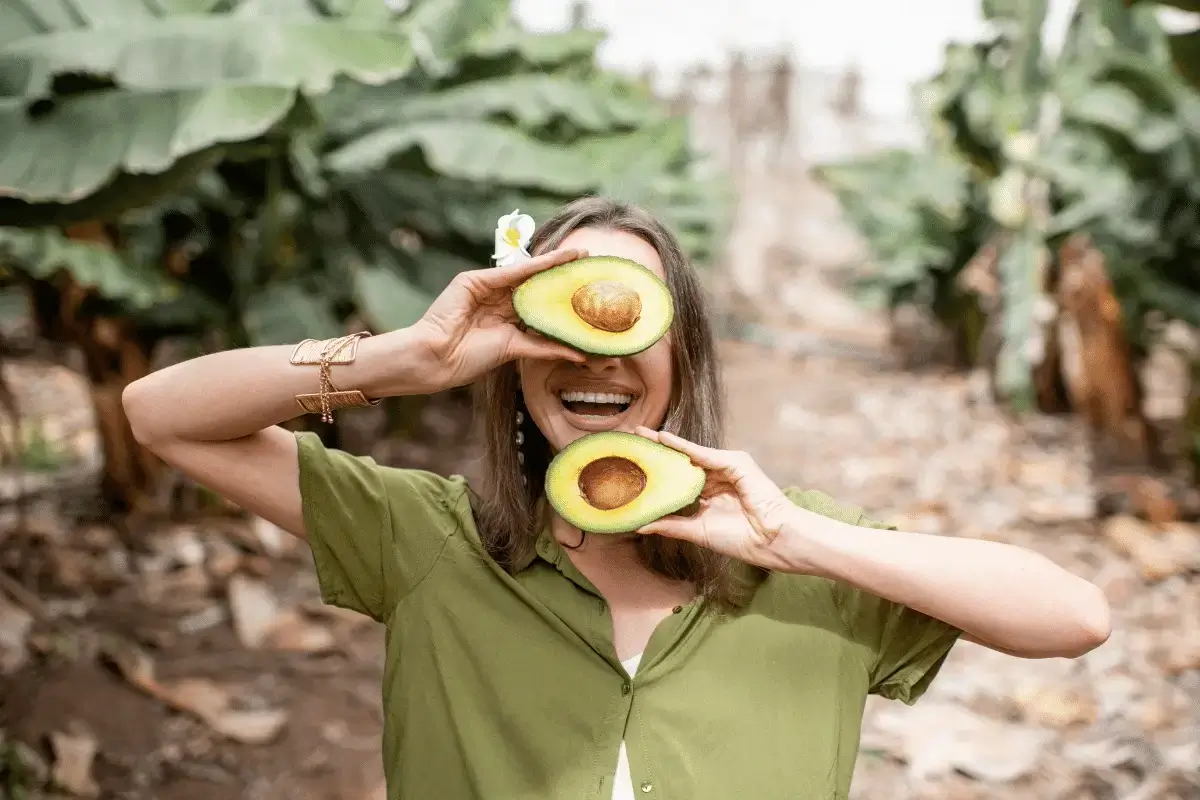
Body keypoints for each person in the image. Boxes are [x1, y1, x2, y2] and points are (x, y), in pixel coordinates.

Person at [123, 196, 1112, 800]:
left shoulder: (796, 553)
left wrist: (806, 539)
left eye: (629, 316)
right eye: (564, 315)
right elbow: (160, 413)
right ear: (513, 361)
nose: (594, 350)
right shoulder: (427, 536)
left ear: (682, 358)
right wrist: (405, 357)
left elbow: (1074, 615)